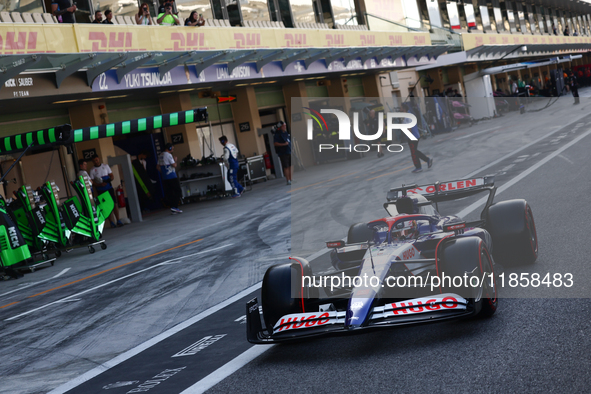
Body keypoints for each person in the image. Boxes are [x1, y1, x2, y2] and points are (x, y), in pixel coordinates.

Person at [89, 155, 124, 227]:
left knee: (114, 203)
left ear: (98, 159)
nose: (96, 161)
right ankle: (111, 222)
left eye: (97, 159)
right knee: (105, 206)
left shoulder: (105, 166)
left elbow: (112, 176)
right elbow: (92, 182)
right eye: (94, 160)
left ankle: (118, 220)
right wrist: (99, 185)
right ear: (92, 161)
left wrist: (108, 181)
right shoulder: (92, 170)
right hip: (101, 190)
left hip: (109, 188)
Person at [402, 103, 432, 174]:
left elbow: (409, 128)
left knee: (414, 152)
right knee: (414, 151)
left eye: (401, 108)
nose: (400, 109)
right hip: (415, 136)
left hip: (412, 136)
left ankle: (420, 166)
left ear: (404, 109)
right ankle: (425, 161)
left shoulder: (407, 116)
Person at [157, 143, 183, 214]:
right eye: (172, 148)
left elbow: (157, 167)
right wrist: (175, 160)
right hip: (171, 176)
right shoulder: (168, 155)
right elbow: (174, 165)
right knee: (178, 191)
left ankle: (172, 207)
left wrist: (163, 173)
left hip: (165, 177)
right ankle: (175, 206)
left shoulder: (161, 155)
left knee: (170, 193)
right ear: (169, 148)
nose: (173, 150)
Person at [273, 121, 292, 185]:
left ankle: (291, 178)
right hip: (283, 152)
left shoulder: (286, 133)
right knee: (286, 166)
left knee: (290, 165)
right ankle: (288, 180)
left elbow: (289, 141)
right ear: (280, 127)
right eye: (283, 126)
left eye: (285, 125)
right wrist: (283, 144)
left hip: (288, 150)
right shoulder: (277, 134)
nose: (285, 127)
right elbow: (275, 143)